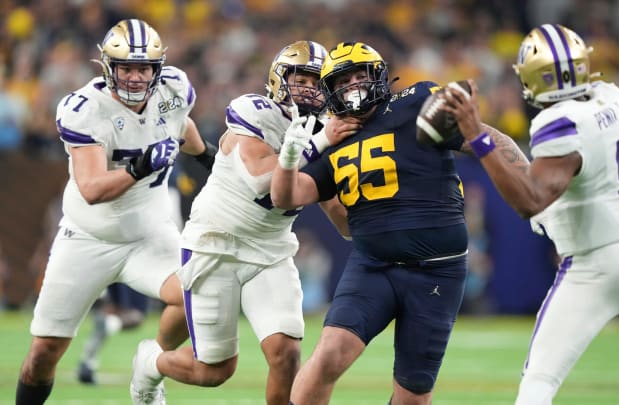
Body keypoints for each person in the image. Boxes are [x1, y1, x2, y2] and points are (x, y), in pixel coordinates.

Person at [441, 24, 619, 404]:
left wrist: (477, 136)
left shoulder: (558, 124)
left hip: (596, 265)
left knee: (538, 383)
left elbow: (530, 201)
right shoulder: (609, 100)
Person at [129, 40, 354, 405]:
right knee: (214, 371)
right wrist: (314, 144)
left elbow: (338, 215)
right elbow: (259, 177)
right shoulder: (256, 110)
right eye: (301, 78)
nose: (309, 89)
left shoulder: (328, 130)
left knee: (286, 354)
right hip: (216, 242)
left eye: (317, 81)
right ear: (280, 78)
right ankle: (151, 362)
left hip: (271, 250)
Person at [15, 19, 216, 405]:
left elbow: (180, 124)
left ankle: (150, 367)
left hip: (150, 234)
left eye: (144, 68)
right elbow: (92, 189)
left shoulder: (174, 88)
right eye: (127, 67)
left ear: (157, 69)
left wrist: (209, 157)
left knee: (199, 292)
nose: (136, 77)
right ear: (108, 66)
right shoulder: (86, 109)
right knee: (43, 354)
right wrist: (139, 166)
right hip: (89, 238)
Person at [271, 41, 469, 405]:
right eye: (341, 79)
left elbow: (477, 137)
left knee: (412, 397)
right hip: (373, 266)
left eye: (359, 74)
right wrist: (290, 155)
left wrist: (524, 175)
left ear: (378, 74)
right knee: (329, 354)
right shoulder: (334, 134)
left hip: (436, 272)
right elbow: (286, 196)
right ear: (330, 91)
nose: (352, 84)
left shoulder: (416, 99)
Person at [76, 283, 149, 385]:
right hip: (134, 270)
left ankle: (88, 362)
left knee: (113, 309)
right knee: (136, 317)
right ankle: (108, 324)